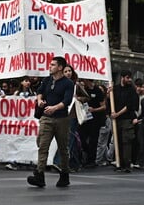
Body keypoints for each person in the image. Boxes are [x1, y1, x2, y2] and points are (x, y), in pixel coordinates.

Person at [27, 56, 74, 187]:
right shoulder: (47, 80)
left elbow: (67, 101)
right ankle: (39, 174)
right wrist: (40, 100)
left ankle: (65, 174)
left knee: (63, 148)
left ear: (60, 67)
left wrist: (54, 108)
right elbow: (39, 92)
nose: (50, 66)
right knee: (43, 146)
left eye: (53, 65)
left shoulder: (68, 83)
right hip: (46, 118)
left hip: (61, 119)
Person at [108, 71, 139, 172]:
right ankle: (119, 163)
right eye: (127, 77)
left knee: (126, 142)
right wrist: (108, 95)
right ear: (122, 78)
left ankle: (126, 164)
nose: (129, 80)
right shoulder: (115, 89)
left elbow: (130, 106)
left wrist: (117, 114)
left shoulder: (132, 90)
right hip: (116, 120)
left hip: (126, 119)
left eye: (130, 78)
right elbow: (109, 102)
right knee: (117, 141)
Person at [78, 78, 106, 168]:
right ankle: (86, 153)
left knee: (93, 140)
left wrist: (94, 110)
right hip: (84, 119)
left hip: (95, 119)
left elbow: (103, 106)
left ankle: (91, 160)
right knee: (82, 137)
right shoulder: (83, 90)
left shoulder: (97, 90)